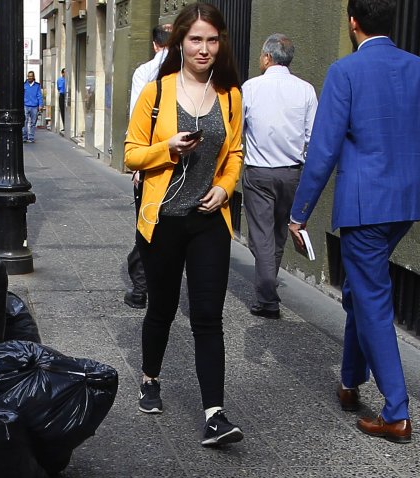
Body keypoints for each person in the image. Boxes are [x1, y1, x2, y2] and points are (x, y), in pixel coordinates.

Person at [288, 0, 420, 444]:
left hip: (365, 209)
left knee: (372, 298)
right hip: (407, 205)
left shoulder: (345, 72)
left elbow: (323, 151)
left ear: (353, 23)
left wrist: (299, 212)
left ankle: (396, 412)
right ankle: (348, 381)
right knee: (360, 292)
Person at [124, 3, 244, 447]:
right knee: (162, 307)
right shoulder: (157, 93)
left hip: (209, 220)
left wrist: (227, 188)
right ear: (180, 42)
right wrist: (167, 148)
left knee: (208, 316)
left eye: (212, 40)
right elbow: (131, 153)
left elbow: (234, 154)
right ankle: (150, 377)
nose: (204, 48)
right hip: (164, 221)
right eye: (196, 39)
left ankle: (215, 414)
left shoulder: (230, 96)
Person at [241, 33, 317, 319]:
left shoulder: (251, 87)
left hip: (259, 172)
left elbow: (238, 130)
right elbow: (313, 136)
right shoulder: (306, 90)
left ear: (266, 57)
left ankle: (267, 296)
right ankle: (268, 287)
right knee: (278, 232)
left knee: (260, 236)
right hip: (292, 173)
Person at [124, 24, 173, 309]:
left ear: (155, 45)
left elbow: (135, 121)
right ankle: (159, 286)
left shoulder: (144, 73)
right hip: (181, 164)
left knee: (147, 226)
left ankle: (141, 288)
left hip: (151, 162)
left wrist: (137, 166)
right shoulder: (188, 72)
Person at [23, 71, 44, 143]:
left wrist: (40, 105)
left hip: (34, 106)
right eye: (28, 76)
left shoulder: (37, 86)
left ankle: (31, 137)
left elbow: (39, 96)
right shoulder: (24, 85)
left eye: (31, 76)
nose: (29, 77)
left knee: (33, 123)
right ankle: (24, 137)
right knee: (24, 122)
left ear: (33, 77)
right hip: (26, 105)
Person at [56, 68, 67, 135]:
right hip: (62, 95)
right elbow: (58, 88)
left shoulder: (68, 79)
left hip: (67, 95)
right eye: (65, 72)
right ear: (62, 73)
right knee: (62, 111)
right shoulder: (59, 80)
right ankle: (64, 126)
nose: (66, 73)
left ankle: (67, 126)